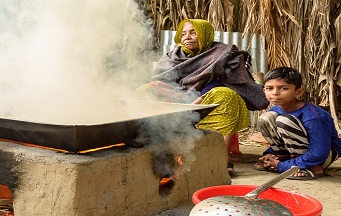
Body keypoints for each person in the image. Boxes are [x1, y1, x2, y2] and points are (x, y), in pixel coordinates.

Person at [141, 19, 269, 175]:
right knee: (144, 91)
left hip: (207, 101)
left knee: (226, 95)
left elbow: (233, 82)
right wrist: (171, 97)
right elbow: (159, 81)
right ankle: (152, 147)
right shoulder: (172, 57)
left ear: (205, 34)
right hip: (177, 101)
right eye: (183, 33)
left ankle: (220, 157)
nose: (187, 37)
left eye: (193, 32)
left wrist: (199, 99)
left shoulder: (224, 54)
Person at [255, 66, 341, 180]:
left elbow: (319, 153)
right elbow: (281, 139)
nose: (275, 93)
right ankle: (287, 162)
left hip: (323, 155)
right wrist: (269, 155)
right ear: (264, 90)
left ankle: (308, 168)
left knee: (284, 120)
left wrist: (281, 166)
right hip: (296, 153)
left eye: (284, 88)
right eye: (270, 88)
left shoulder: (314, 117)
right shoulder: (274, 111)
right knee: (265, 118)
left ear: (298, 92)